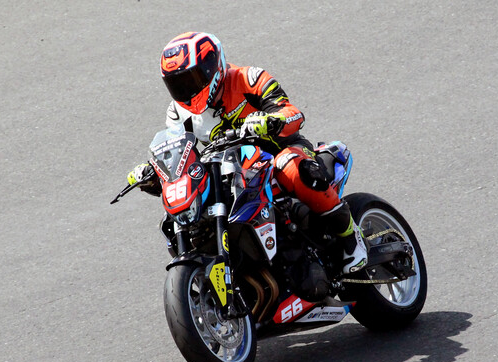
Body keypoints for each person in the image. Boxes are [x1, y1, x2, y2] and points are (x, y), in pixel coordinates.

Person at [128, 31, 367, 275]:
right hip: (230, 169)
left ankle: (351, 238)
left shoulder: (248, 78)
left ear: (213, 67)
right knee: (184, 213)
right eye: (177, 84)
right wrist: (157, 173)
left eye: (192, 79)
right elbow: (183, 155)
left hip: (277, 150)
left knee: (291, 166)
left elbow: (292, 113)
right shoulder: (178, 114)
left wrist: (271, 121)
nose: (186, 90)